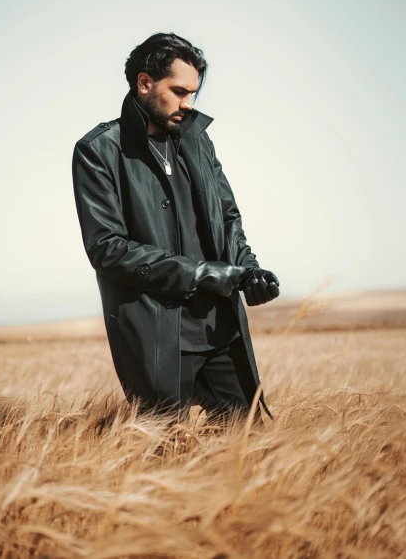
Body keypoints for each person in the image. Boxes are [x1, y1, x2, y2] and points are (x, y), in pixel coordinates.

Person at [71, 32, 280, 427]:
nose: (188, 104)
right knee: (164, 456)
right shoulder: (98, 150)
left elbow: (228, 218)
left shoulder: (199, 143)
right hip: (156, 337)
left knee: (249, 447)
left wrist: (248, 270)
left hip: (221, 329)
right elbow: (107, 247)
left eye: (193, 94)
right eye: (179, 91)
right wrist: (198, 273)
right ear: (145, 83)